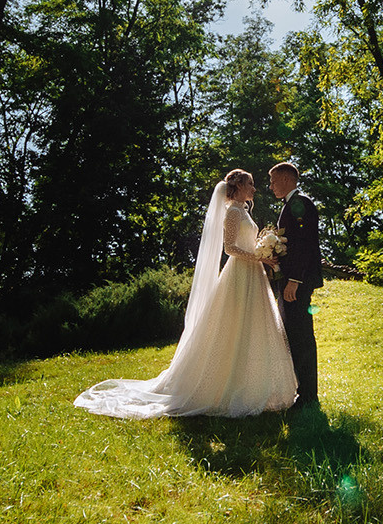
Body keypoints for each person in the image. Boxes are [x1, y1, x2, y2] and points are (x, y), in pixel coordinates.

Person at [73, 169, 297, 418]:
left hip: (253, 273)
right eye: (251, 184)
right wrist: (257, 256)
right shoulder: (232, 212)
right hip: (238, 274)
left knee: (253, 326)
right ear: (239, 187)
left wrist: (263, 252)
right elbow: (230, 248)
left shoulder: (245, 211)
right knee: (232, 326)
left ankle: (252, 385)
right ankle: (222, 385)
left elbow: (246, 243)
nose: (255, 189)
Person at [268, 160, 323, 408]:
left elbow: (304, 244)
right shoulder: (291, 205)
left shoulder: (300, 203)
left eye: (273, 181)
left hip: (297, 283)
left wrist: (295, 280)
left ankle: (309, 396)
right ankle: (302, 391)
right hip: (290, 280)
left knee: (301, 337)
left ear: (287, 179)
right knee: (295, 335)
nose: (270, 186)